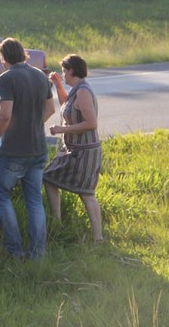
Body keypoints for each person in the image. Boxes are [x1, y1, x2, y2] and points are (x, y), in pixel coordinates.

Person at [0, 38, 55, 259]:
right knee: (34, 200)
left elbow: (5, 115)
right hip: (38, 148)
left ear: (3, 57)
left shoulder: (7, 78)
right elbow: (50, 109)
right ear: (23, 54)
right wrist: (33, 124)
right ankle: (37, 253)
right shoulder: (40, 76)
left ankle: (14, 249)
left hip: (14, 150)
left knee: (0, 195)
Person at [43, 54, 103, 242]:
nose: (63, 74)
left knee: (86, 194)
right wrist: (58, 84)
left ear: (72, 70)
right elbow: (66, 105)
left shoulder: (84, 91)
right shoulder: (76, 90)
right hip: (71, 149)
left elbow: (91, 123)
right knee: (49, 177)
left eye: (64, 72)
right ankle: (57, 223)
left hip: (85, 151)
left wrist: (62, 128)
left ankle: (98, 238)